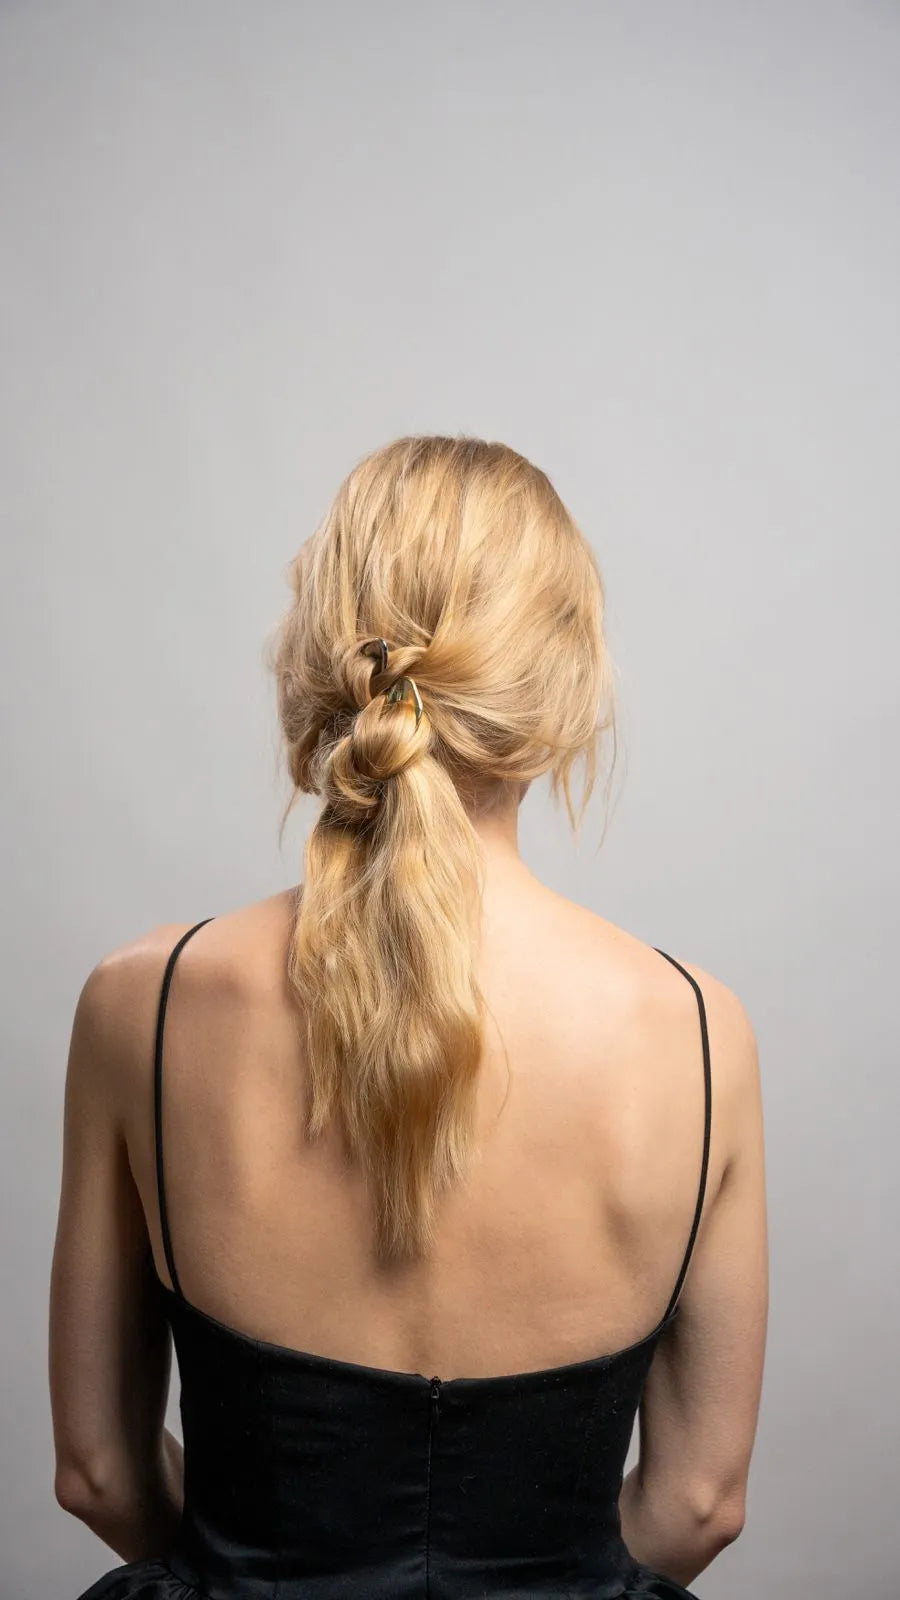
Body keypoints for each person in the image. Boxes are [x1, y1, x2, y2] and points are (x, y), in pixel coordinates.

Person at [49, 435, 767, 1599]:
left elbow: (96, 1471)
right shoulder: (696, 1031)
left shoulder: (148, 1002)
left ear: (325, 657)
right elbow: (697, 1503)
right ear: (562, 688)